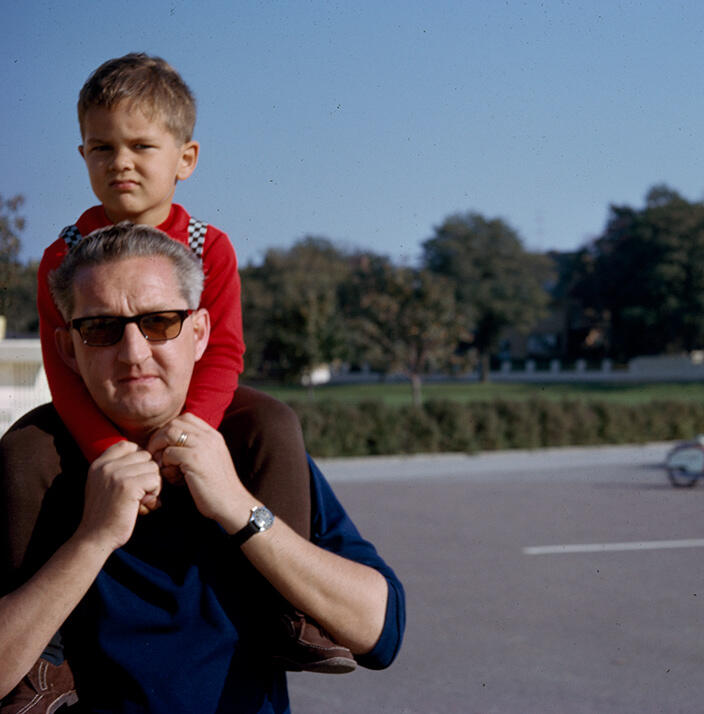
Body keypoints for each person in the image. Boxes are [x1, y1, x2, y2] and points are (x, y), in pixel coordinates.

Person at [21, 52, 337, 711]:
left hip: (195, 404)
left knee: (274, 421)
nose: (121, 162)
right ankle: (40, 660)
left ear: (185, 157)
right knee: (25, 452)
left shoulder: (208, 245)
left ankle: (290, 610)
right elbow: (64, 370)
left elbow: (222, 353)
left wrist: (187, 433)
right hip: (96, 405)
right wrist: (111, 450)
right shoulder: (61, 254)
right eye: (102, 147)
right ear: (82, 154)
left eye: (141, 145)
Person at [0, 224, 405, 712]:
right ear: (68, 348)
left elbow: (378, 631)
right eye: (101, 328)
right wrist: (92, 540)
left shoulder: (252, 446)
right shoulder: (32, 462)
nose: (133, 353)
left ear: (199, 334)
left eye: (160, 323)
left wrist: (240, 507)